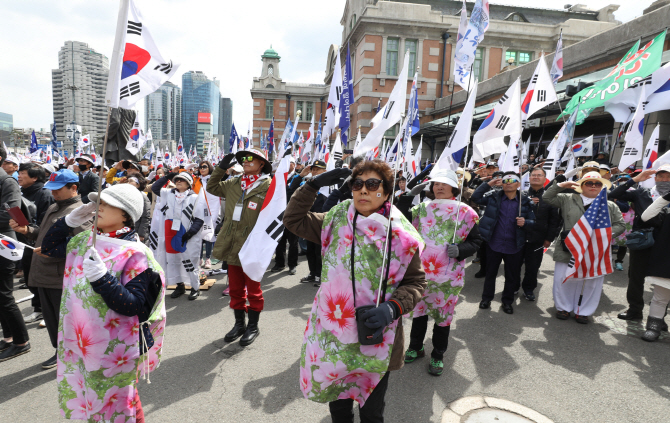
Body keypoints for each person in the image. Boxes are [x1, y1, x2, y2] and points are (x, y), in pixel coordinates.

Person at [284, 160, 426, 422]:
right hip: (333, 335)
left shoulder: (402, 234)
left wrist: (392, 308)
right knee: (338, 406)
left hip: (376, 334)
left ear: (386, 190)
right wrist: (312, 185)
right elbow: (293, 219)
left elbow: (417, 282)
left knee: (372, 412)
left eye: (372, 184)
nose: (363, 190)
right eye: (357, 184)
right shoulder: (335, 219)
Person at [40, 183, 165, 422]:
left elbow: (135, 306)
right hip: (82, 338)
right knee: (89, 394)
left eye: (108, 204)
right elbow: (49, 248)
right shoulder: (85, 239)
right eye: (100, 202)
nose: (99, 208)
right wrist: (67, 222)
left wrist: (103, 279)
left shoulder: (136, 253)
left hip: (114, 346)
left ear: (126, 215)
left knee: (117, 399)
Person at [401, 169, 481, 376]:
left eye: (444, 183)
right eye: (436, 183)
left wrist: (461, 250)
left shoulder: (466, 212)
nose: (439, 186)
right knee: (418, 312)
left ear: (454, 187)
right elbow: (401, 224)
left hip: (448, 275)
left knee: (442, 317)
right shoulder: (422, 208)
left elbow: (477, 240)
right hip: (421, 273)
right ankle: (416, 347)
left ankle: (438, 355)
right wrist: (408, 196)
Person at [9, 169, 91, 369]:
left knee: (64, 320)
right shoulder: (55, 206)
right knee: (51, 319)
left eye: (58, 189)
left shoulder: (80, 212)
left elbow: (84, 244)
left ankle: (69, 354)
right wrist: (27, 230)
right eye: (51, 189)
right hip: (45, 273)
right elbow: (44, 235)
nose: (53, 193)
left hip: (60, 276)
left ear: (74, 188)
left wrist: (54, 252)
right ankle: (61, 352)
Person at [207, 148, 272, 346]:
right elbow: (211, 187)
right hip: (232, 242)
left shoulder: (269, 185)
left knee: (253, 289)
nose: (245, 161)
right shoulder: (233, 182)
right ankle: (239, 324)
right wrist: (221, 167)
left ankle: (253, 326)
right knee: (235, 288)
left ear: (262, 164)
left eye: (250, 158)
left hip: (253, 245)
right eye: (243, 158)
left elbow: (276, 215)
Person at [543, 172, 624, 323]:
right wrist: (562, 185)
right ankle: (563, 308)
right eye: (589, 183)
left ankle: (584, 311)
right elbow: (547, 197)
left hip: (595, 249)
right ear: (581, 185)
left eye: (597, 183)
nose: (593, 186)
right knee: (564, 278)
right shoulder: (567, 198)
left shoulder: (610, 205)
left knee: (591, 281)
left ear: (602, 187)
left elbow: (620, 225)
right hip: (569, 247)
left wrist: (604, 235)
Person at [608, 164, 670, 320]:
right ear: (655, 178)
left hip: (665, 244)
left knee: (663, 281)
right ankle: (634, 310)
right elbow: (614, 194)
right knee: (636, 277)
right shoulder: (643, 192)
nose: (665, 180)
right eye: (661, 176)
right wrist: (634, 180)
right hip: (642, 241)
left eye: (668, 177)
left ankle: (658, 317)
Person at [472, 171, 535, 314]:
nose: (508, 183)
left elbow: (533, 222)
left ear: (518, 184)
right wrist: (488, 184)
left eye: (512, 180)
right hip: (494, 243)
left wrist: (526, 222)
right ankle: (486, 299)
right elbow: (475, 197)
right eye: (506, 180)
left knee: (511, 276)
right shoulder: (493, 196)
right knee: (490, 273)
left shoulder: (524, 201)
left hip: (515, 245)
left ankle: (507, 302)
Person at [150, 171, 205, 300]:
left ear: (189, 184)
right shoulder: (168, 194)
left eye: (182, 180)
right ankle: (179, 286)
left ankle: (195, 288)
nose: (178, 181)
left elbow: (199, 219)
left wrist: (190, 233)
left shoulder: (195, 198)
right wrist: (167, 177)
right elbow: (155, 188)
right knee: (173, 261)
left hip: (188, 235)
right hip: (171, 233)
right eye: (177, 179)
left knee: (189, 261)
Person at [0, 145, 30, 362]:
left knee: (4, 294)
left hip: (4, 242)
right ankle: (8, 337)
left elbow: (12, 215)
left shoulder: (7, 181)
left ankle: (22, 341)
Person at [16, 163, 54, 324]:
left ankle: (46, 312)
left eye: (22, 173)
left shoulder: (45, 194)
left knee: (43, 279)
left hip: (39, 242)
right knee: (30, 276)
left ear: (35, 177)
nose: (19, 176)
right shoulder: (20, 192)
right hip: (25, 240)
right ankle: (39, 309)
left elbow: (46, 223)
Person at [521, 167, 561, 301]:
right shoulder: (521, 195)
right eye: (533, 175)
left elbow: (554, 220)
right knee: (513, 266)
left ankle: (528, 289)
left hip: (538, 238)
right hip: (519, 237)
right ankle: (513, 286)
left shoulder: (550, 198)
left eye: (539, 175)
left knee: (533, 267)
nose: (536, 177)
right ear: (529, 178)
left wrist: (549, 238)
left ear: (545, 179)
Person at [288, 160, 328, 286]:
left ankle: (321, 275)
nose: (315, 171)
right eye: (313, 169)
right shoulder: (307, 183)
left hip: (323, 221)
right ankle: (312, 273)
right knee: (310, 250)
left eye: (318, 169)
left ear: (324, 171)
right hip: (309, 220)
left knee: (319, 251)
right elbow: (291, 189)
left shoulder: (330, 184)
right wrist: (301, 175)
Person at [639, 189, 670, 341]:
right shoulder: (667, 210)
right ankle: (653, 327)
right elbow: (646, 216)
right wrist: (666, 197)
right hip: (666, 261)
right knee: (660, 297)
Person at [271, 158, 300, 275]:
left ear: (294, 165)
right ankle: (279, 263)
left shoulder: (298, 178)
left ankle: (292, 265)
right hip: (278, 215)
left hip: (292, 215)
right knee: (279, 240)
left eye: (289, 164)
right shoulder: (277, 178)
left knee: (293, 242)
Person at [193, 161, 219, 269]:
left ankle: (208, 258)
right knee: (198, 235)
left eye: (205, 167)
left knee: (208, 234)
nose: (202, 169)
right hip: (199, 209)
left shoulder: (213, 180)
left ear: (209, 168)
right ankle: (199, 258)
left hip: (212, 209)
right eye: (200, 167)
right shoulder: (196, 180)